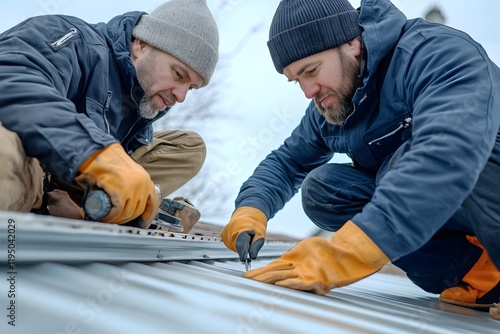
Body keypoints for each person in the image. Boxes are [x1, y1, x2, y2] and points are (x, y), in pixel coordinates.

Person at [221, 0, 500, 318]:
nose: (308, 91)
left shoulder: (434, 54)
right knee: (324, 191)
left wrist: (347, 252)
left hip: (478, 179)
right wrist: (250, 210)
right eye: (296, 80)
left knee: (416, 160)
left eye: (311, 71)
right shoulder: (336, 101)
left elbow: (446, 152)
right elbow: (288, 162)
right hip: (467, 241)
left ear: (352, 43)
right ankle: (481, 278)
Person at [0, 0, 219, 227]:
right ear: (141, 45)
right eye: (178, 74)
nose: (181, 96)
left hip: (70, 180)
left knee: (190, 147)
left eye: (190, 88)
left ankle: (116, 203)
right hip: (27, 157)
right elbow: (9, 75)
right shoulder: (73, 38)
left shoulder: (139, 104)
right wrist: (94, 153)